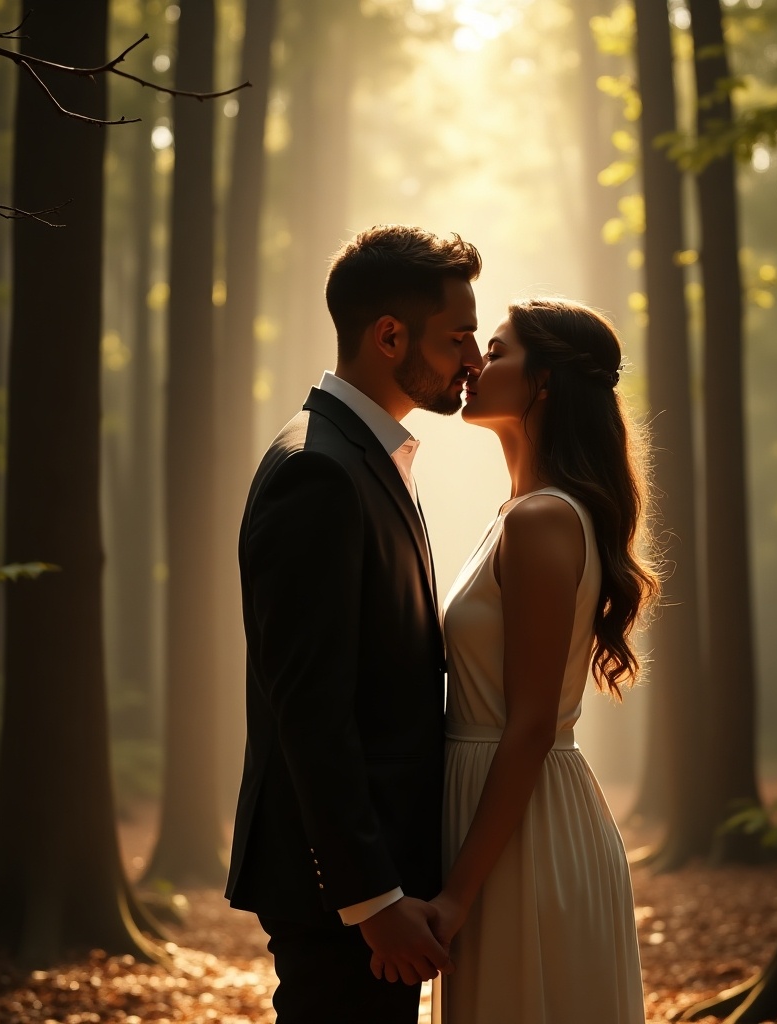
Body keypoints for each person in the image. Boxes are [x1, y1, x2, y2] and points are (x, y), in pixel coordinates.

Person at [225, 224, 482, 1024]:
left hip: (371, 883)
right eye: (459, 336)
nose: (472, 357)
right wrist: (374, 901)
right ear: (389, 335)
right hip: (341, 897)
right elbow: (311, 712)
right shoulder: (319, 474)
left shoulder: (363, 456)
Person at [427, 298, 659, 1022]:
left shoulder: (543, 519)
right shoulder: (517, 514)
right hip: (502, 816)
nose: (473, 364)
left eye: (496, 353)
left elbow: (529, 724)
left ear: (546, 380)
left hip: (526, 832)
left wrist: (456, 894)